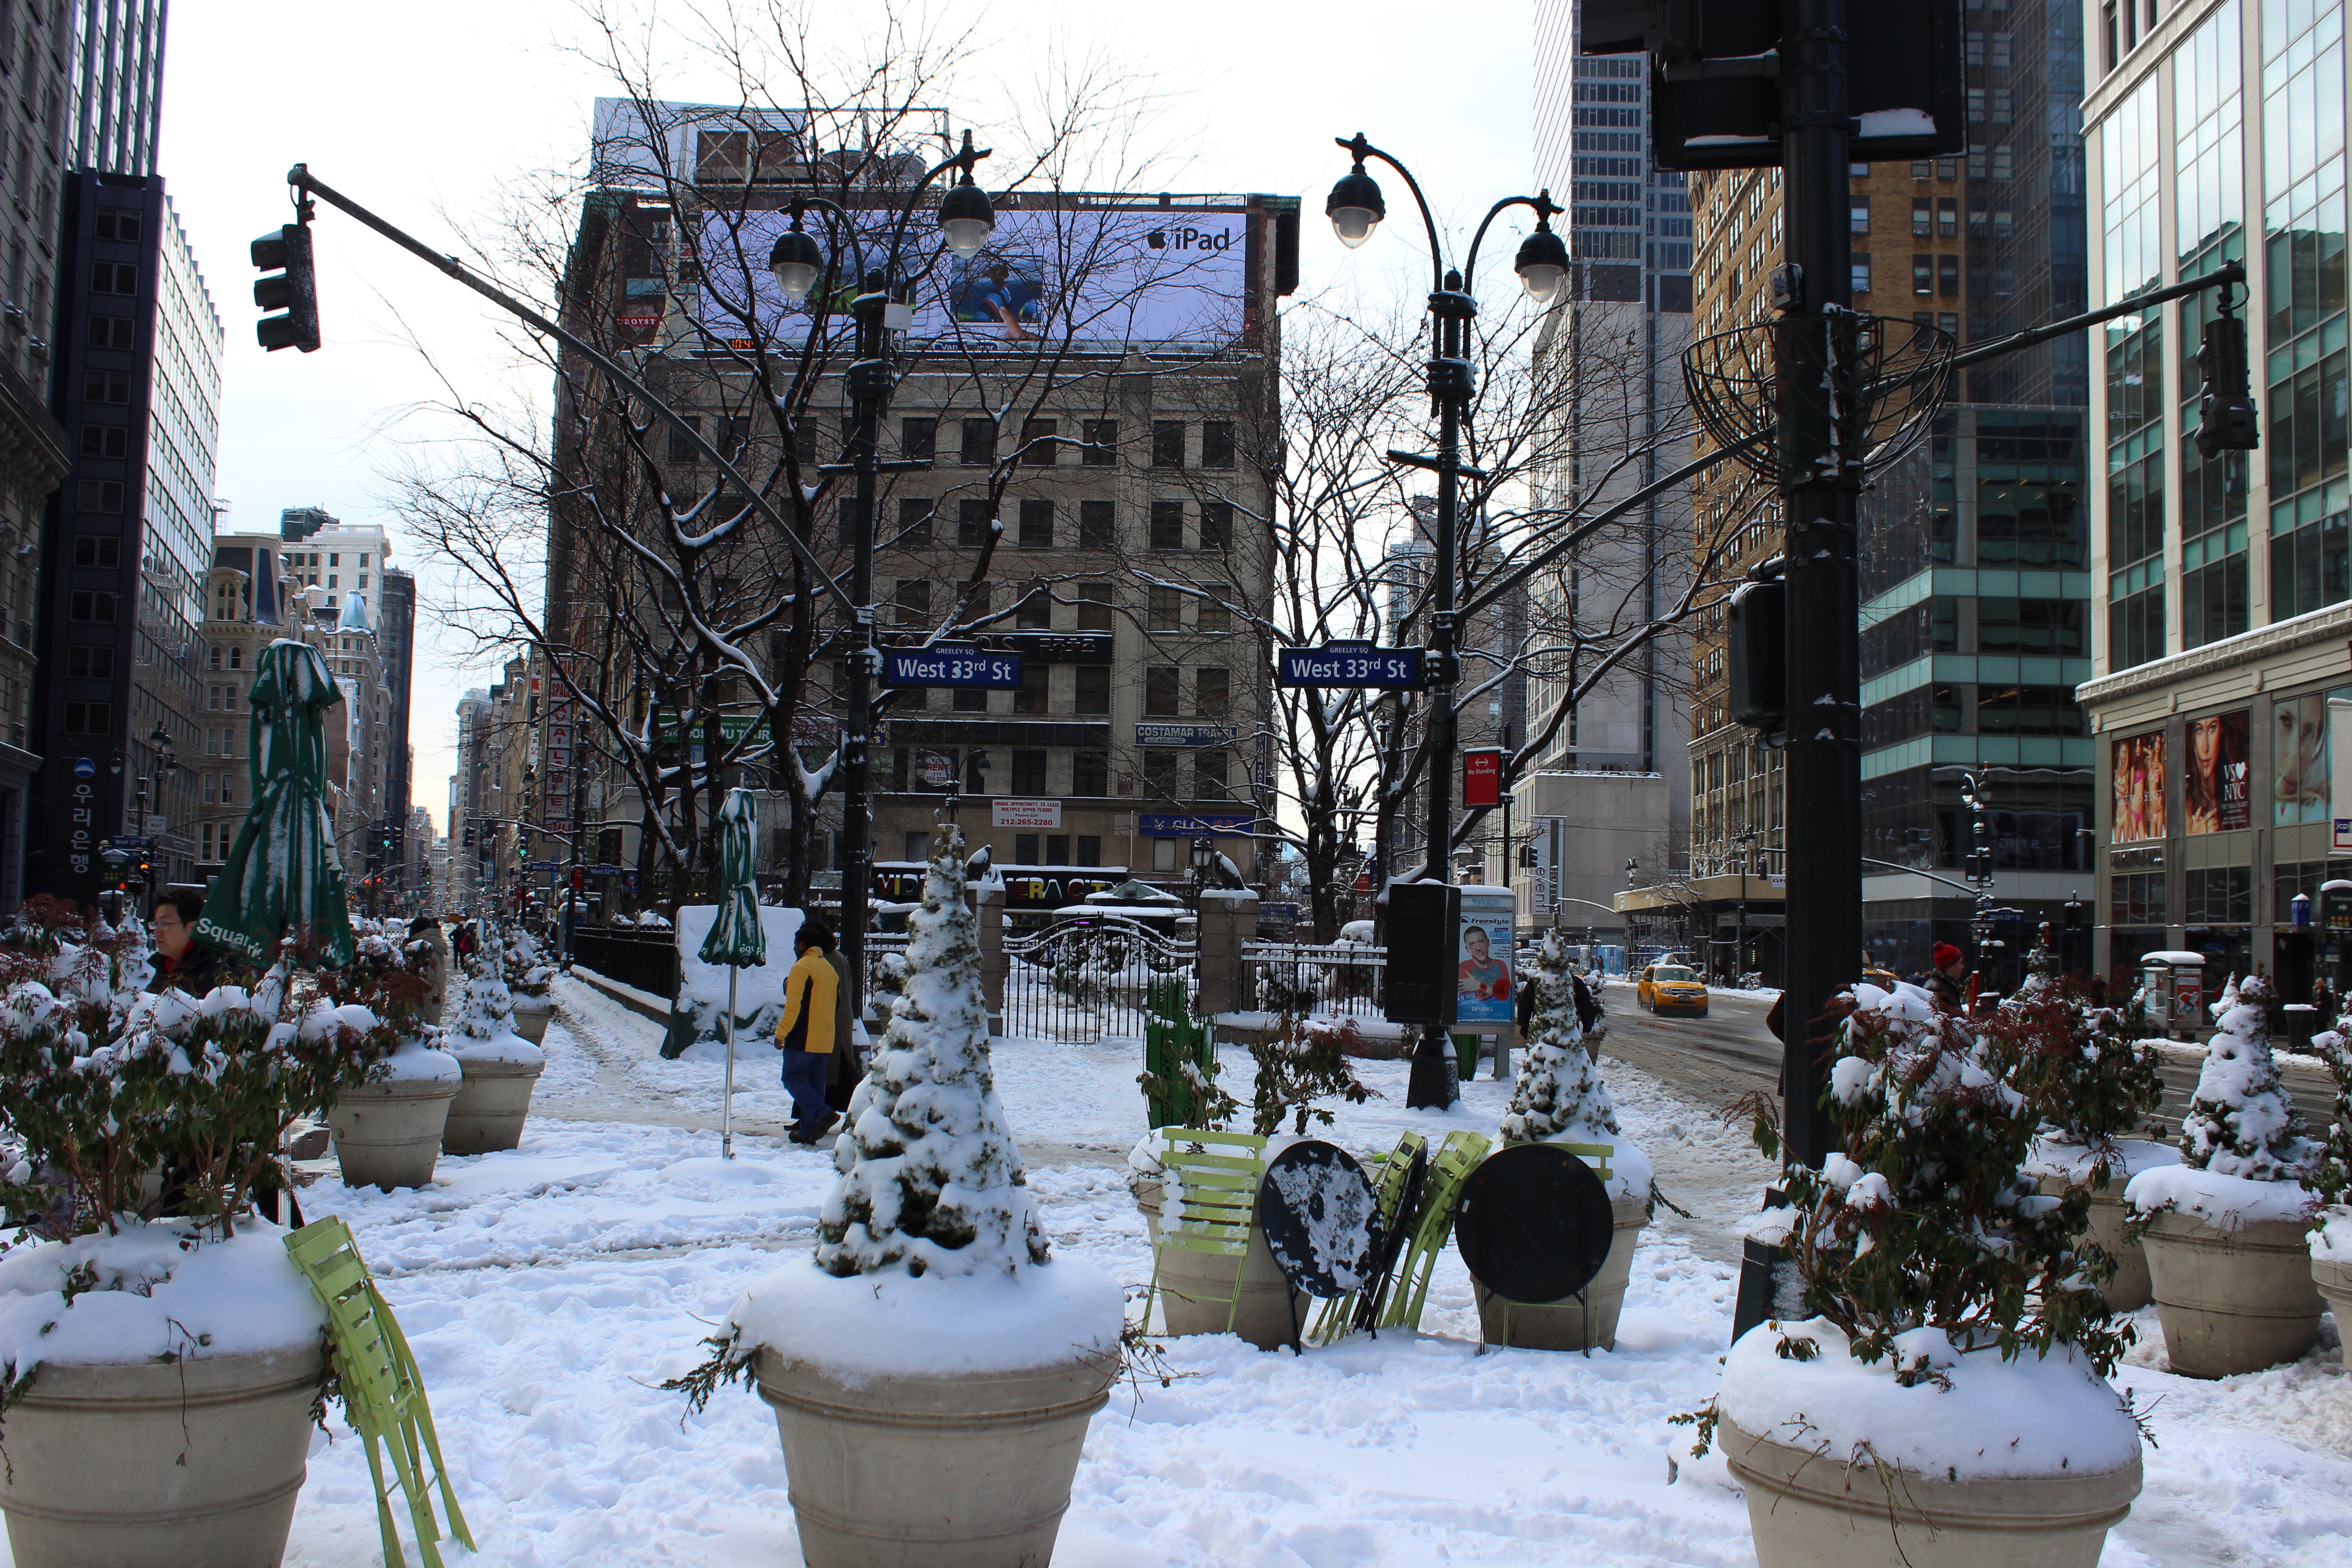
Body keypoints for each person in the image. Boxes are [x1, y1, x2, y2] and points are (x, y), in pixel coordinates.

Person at [775, 923, 842, 1144]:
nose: (795, 948)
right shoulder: (829, 969)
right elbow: (837, 1002)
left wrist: (781, 1033)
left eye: (796, 944)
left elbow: (794, 1006)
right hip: (825, 1037)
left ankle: (822, 1113)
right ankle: (808, 1131)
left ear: (802, 945)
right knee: (815, 1084)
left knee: (792, 1077)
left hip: (803, 1035)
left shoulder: (802, 967)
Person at [145, 887, 225, 995]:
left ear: (193, 927)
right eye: (156, 924)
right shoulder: (166, 966)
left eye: (164, 924)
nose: (157, 932)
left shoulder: (216, 971)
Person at [818, 922, 861, 1113]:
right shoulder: (839, 958)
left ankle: (823, 1111)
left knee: (831, 1069)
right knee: (841, 1066)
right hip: (842, 1015)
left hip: (830, 1016)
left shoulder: (824, 960)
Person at [1456, 925, 1512, 1004]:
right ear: (1467, 949)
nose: (1478, 948)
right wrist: (1494, 992)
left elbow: (1506, 997)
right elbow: (1474, 1001)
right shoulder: (1463, 968)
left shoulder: (1500, 965)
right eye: (1472, 944)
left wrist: (1478, 985)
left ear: (1488, 942)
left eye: (1481, 942)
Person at [1919, 941, 1966, 1014]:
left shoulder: (1946, 985)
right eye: (1960, 963)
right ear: (1951, 967)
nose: (1963, 967)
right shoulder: (1938, 990)